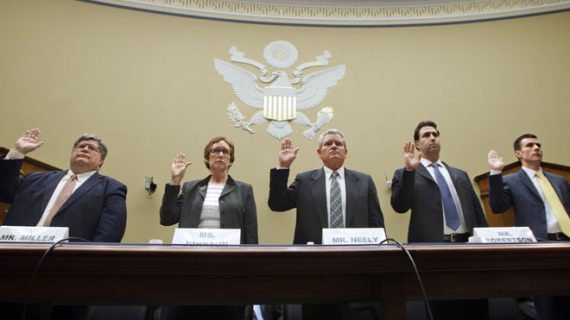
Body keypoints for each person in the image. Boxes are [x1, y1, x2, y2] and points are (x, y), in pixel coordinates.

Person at [0, 128, 127, 320]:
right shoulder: (35, 178)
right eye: (80, 146)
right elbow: (3, 191)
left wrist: (86, 273)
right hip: (14, 267)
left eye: (92, 148)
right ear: (71, 153)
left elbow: (108, 235)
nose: (84, 149)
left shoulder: (111, 188)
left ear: (101, 161)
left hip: (66, 274)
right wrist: (17, 152)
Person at [268, 129, 384, 320]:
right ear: (318, 152)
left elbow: (377, 223)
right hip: (315, 270)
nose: (334, 147)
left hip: (357, 268)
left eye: (338, 144)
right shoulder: (304, 180)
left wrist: (378, 262)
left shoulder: (364, 181)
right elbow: (277, 204)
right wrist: (283, 168)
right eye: (328, 143)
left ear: (346, 152)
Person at [390, 120, 488, 320]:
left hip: (468, 248)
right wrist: (409, 171)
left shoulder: (460, 175)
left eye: (435, 134)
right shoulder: (406, 173)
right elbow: (400, 206)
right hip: (433, 249)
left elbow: (477, 212)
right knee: (441, 307)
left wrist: (486, 242)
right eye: (426, 135)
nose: (432, 138)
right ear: (417, 144)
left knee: (476, 305)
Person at [159, 136, 258, 319]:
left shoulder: (244, 190)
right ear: (207, 158)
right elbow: (167, 218)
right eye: (215, 151)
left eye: (225, 151)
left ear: (231, 159)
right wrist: (175, 181)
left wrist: (249, 271)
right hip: (191, 265)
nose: (220, 154)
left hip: (228, 267)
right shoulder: (191, 188)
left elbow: (251, 233)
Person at [488, 133, 570, 320]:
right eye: (530, 145)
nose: (536, 148)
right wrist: (495, 173)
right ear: (518, 154)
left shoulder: (559, 181)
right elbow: (497, 206)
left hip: (566, 244)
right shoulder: (511, 181)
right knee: (546, 305)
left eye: (538, 145)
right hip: (540, 246)